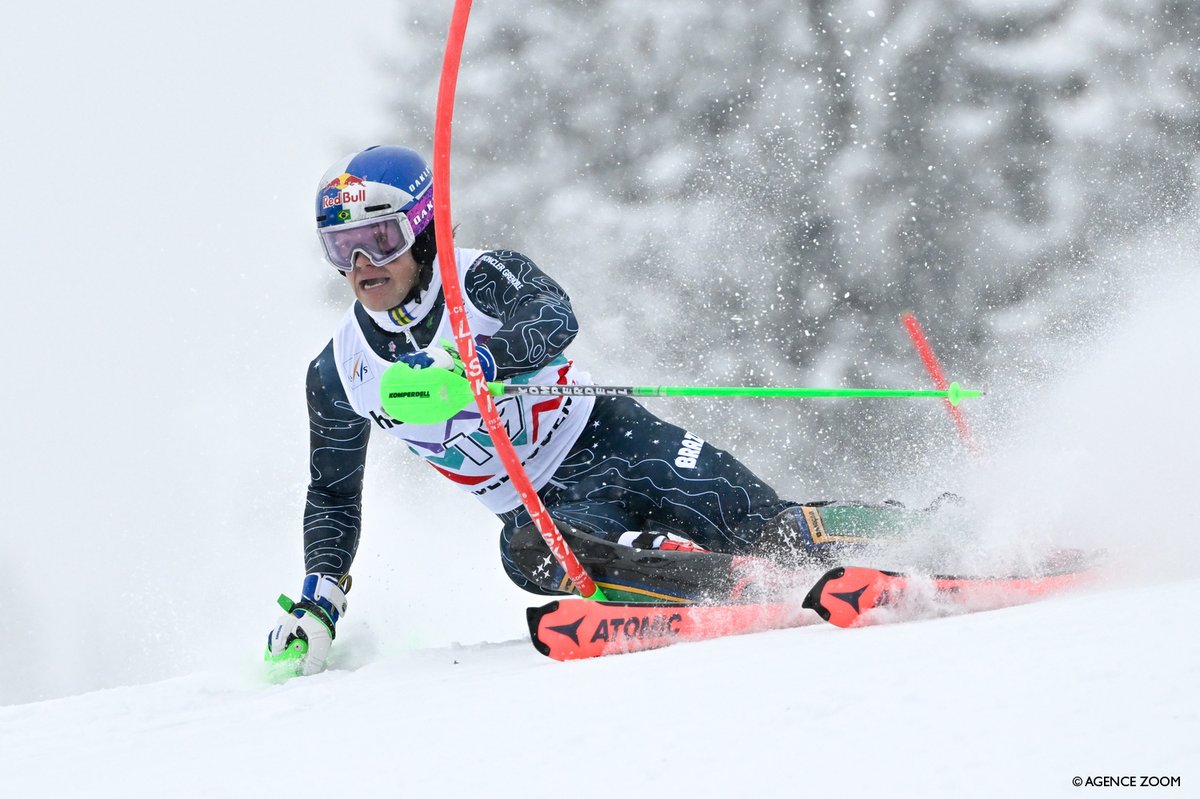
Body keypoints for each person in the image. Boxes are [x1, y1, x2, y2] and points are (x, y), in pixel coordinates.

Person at [265, 145, 926, 676]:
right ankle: (696, 572)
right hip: (545, 507)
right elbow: (332, 494)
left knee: (764, 525)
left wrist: (481, 362)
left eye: (379, 239)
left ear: (422, 228)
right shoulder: (339, 371)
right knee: (525, 552)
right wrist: (320, 600)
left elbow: (554, 315)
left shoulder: (480, 277)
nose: (361, 264)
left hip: (614, 439)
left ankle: (930, 531)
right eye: (340, 247)